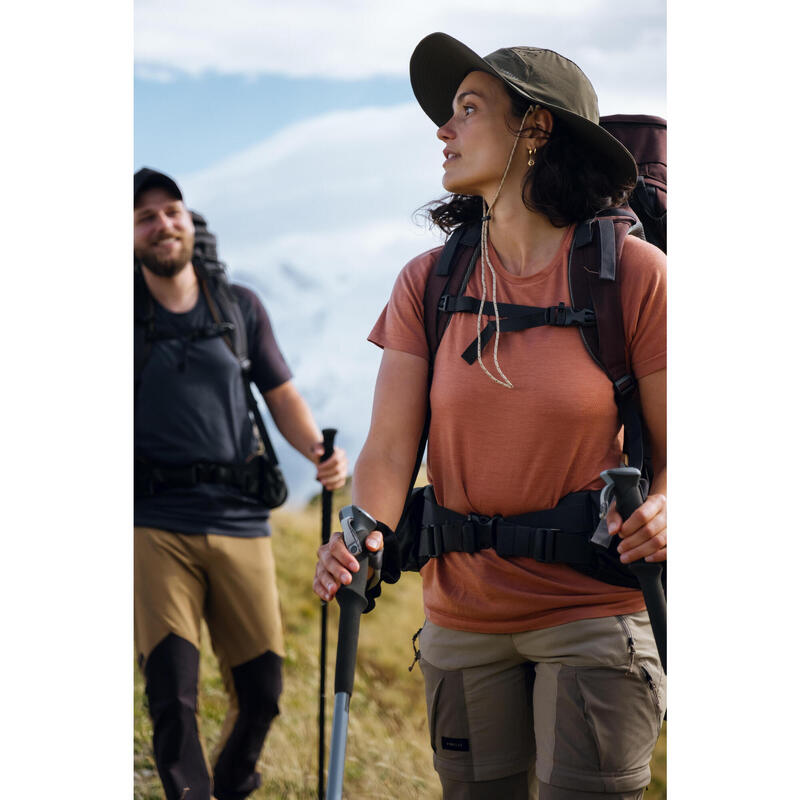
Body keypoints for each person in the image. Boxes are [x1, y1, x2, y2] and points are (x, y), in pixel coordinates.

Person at [314, 33, 666, 800]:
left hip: (595, 615)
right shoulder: (429, 280)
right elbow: (390, 448)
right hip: (462, 621)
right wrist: (360, 530)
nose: (443, 128)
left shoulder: (634, 276)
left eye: (468, 110)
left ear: (535, 130)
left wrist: (669, 506)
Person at [134, 167, 347, 800]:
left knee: (263, 690)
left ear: (188, 221)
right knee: (171, 690)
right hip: (152, 520)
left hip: (240, 520)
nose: (161, 224)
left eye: (170, 211)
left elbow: (280, 394)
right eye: (144, 218)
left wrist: (317, 451)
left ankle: (230, 783)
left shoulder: (239, 307)